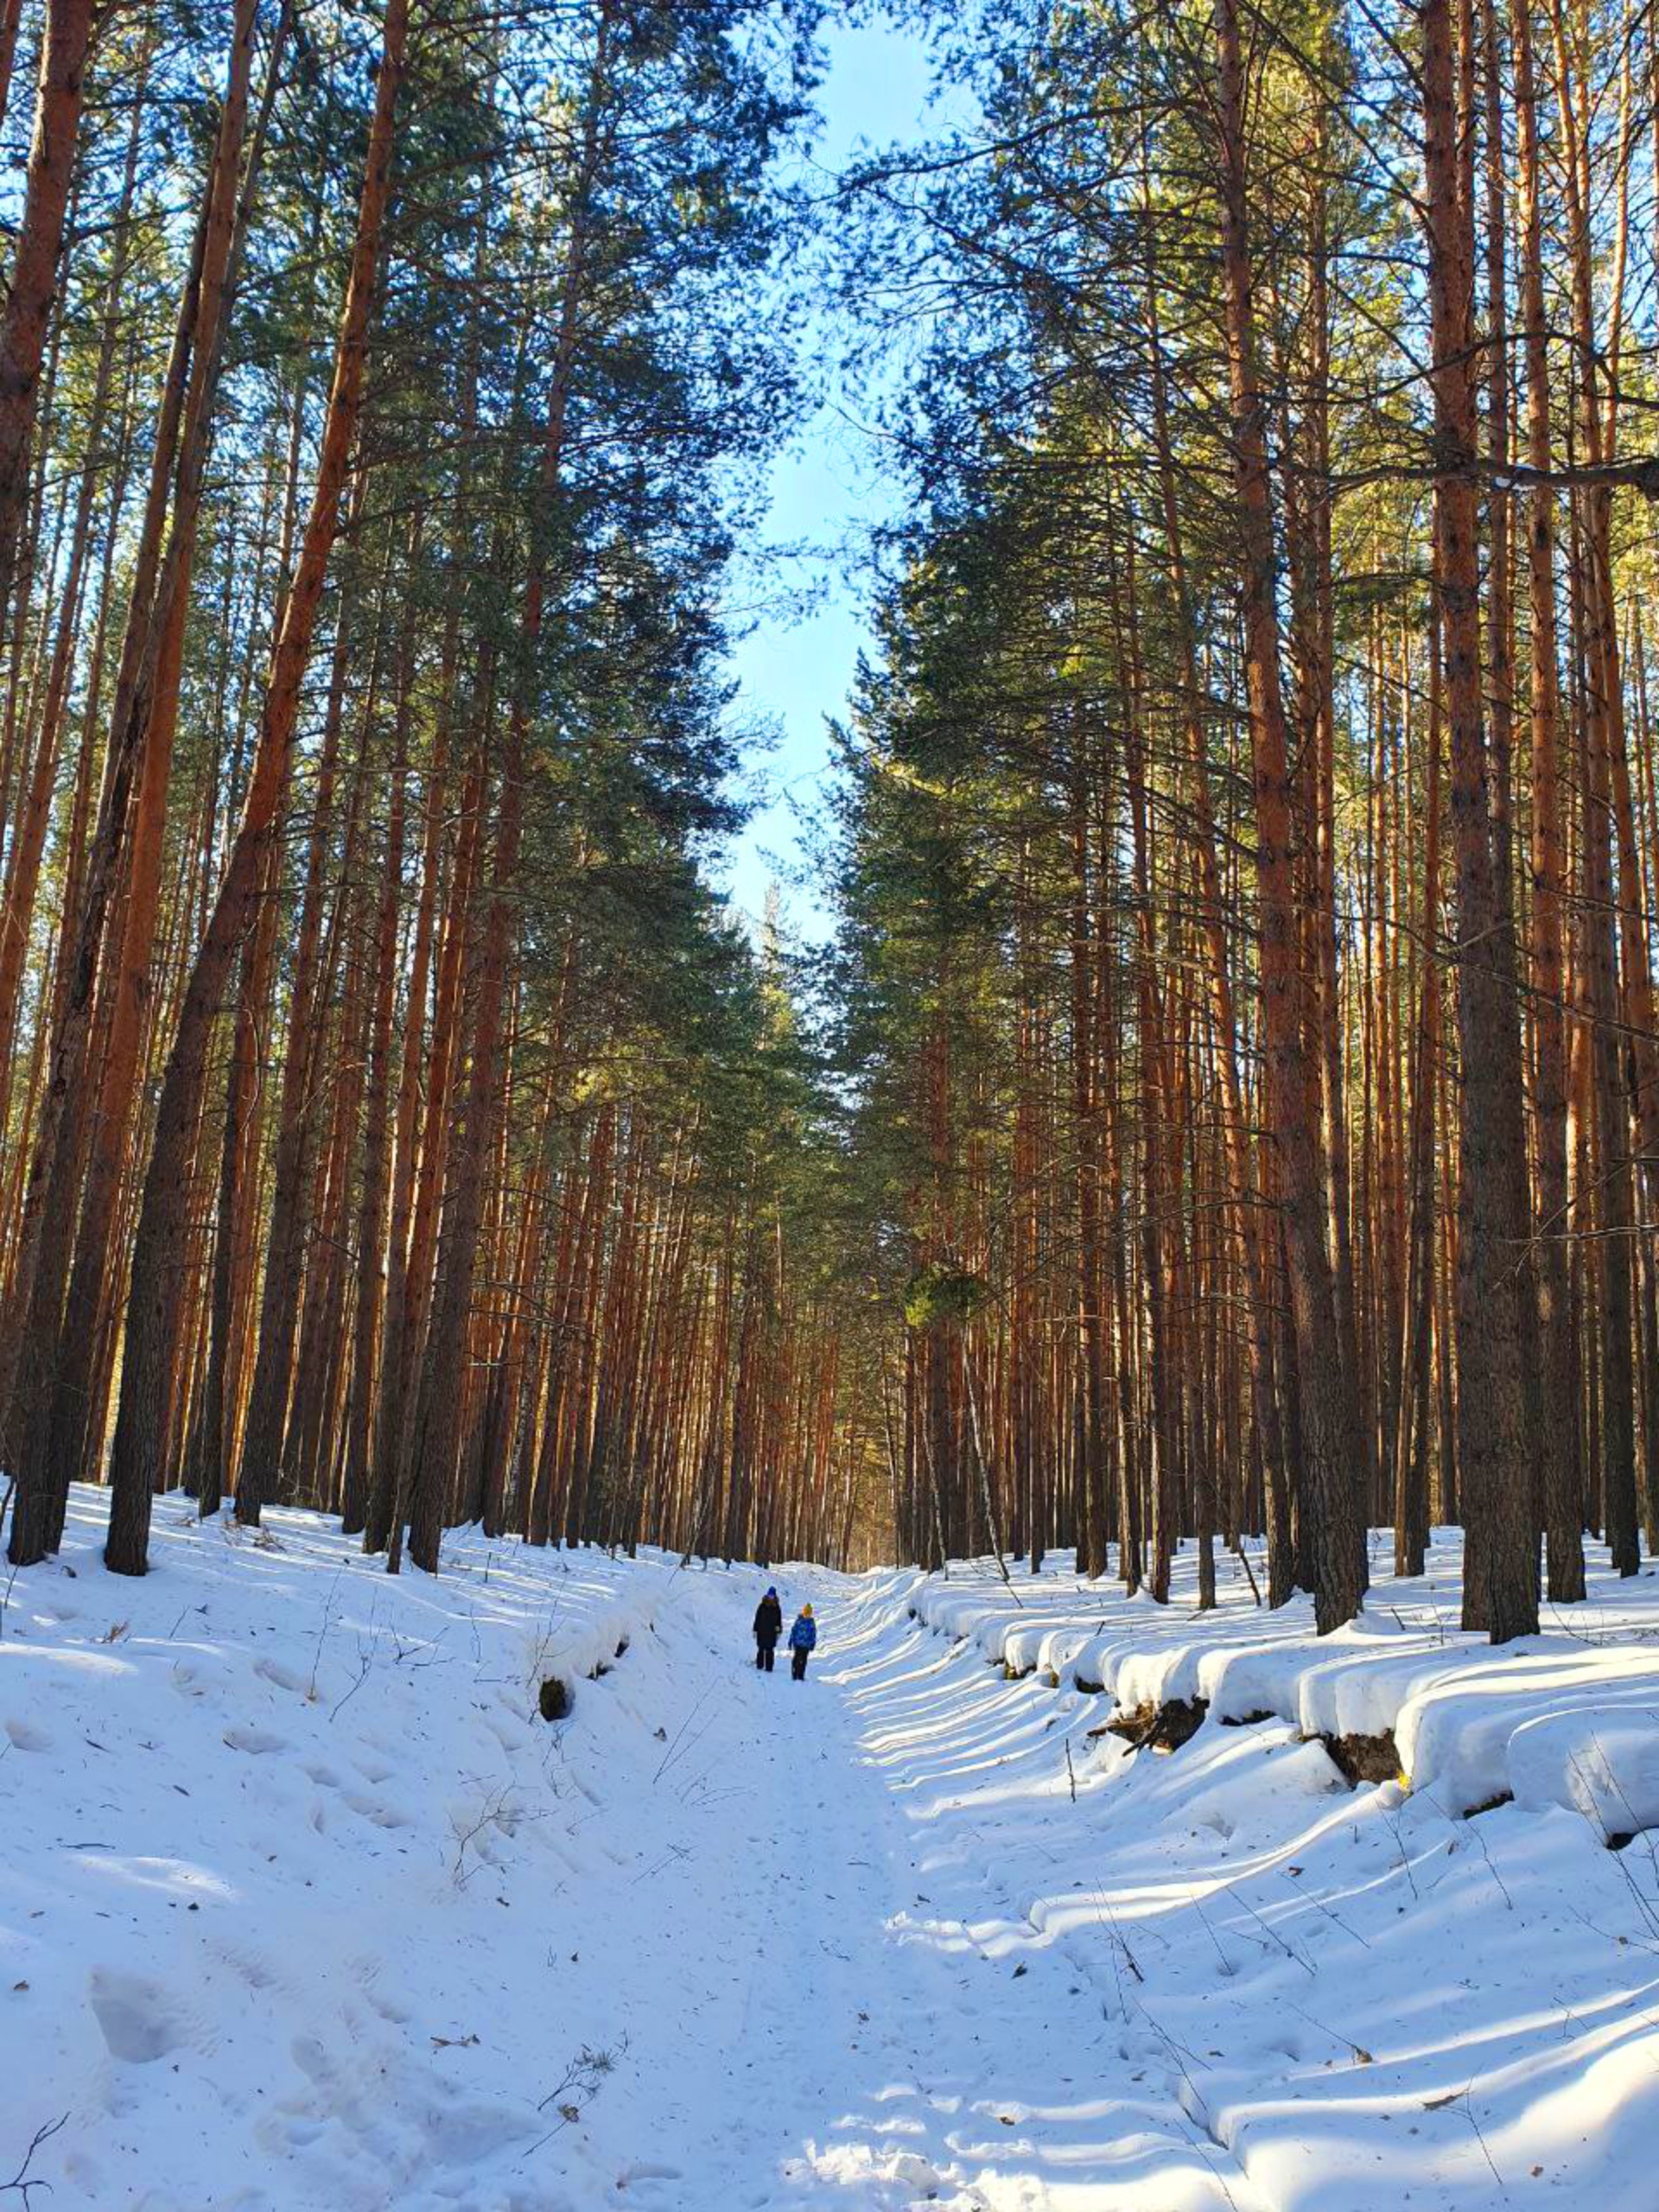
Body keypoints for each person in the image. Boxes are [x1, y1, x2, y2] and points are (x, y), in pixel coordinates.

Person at [753, 1586, 782, 1672]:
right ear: (767, 1595)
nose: (771, 1597)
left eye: (772, 1595)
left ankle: (769, 1668)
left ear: (774, 1596)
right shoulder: (761, 1606)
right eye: (769, 1595)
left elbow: (778, 1620)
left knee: (770, 1650)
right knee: (761, 1649)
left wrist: (778, 1631)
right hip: (761, 1631)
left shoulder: (777, 1607)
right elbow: (757, 1618)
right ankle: (759, 1666)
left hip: (771, 1633)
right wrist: (755, 1629)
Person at [788, 1602, 817, 1681]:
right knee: (796, 1659)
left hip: (806, 1645)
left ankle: (801, 1675)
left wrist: (813, 1643)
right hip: (798, 1644)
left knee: (803, 1660)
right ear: (803, 1612)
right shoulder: (799, 1621)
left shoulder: (811, 1623)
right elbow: (794, 1631)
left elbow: (813, 1633)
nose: (807, 1615)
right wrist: (791, 1641)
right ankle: (795, 1674)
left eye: (809, 1614)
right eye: (806, 1613)